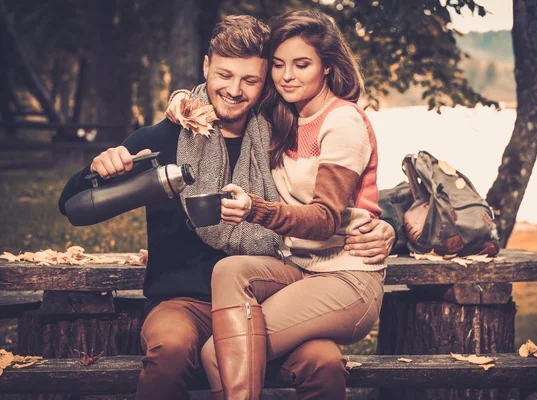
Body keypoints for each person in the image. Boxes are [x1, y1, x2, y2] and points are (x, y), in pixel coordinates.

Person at [60, 15, 394, 400]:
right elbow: (70, 205)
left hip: (266, 298)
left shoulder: (278, 132)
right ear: (206, 67)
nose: (234, 90)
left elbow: (335, 192)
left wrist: (386, 227)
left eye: (250, 80)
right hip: (182, 301)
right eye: (224, 75)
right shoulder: (163, 139)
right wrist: (97, 170)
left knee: (324, 363)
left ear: (265, 79)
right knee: (169, 349)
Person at [174, 10, 387, 400]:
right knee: (229, 272)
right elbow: (222, 94)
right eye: (279, 65)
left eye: (302, 64)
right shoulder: (285, 117)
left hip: (348, 280)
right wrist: (179, 104)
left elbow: (325, 218)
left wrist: (256, 209)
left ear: (326, 68)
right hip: (301, 270)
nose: (287, 75)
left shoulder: (342, 122)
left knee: (221, 354)